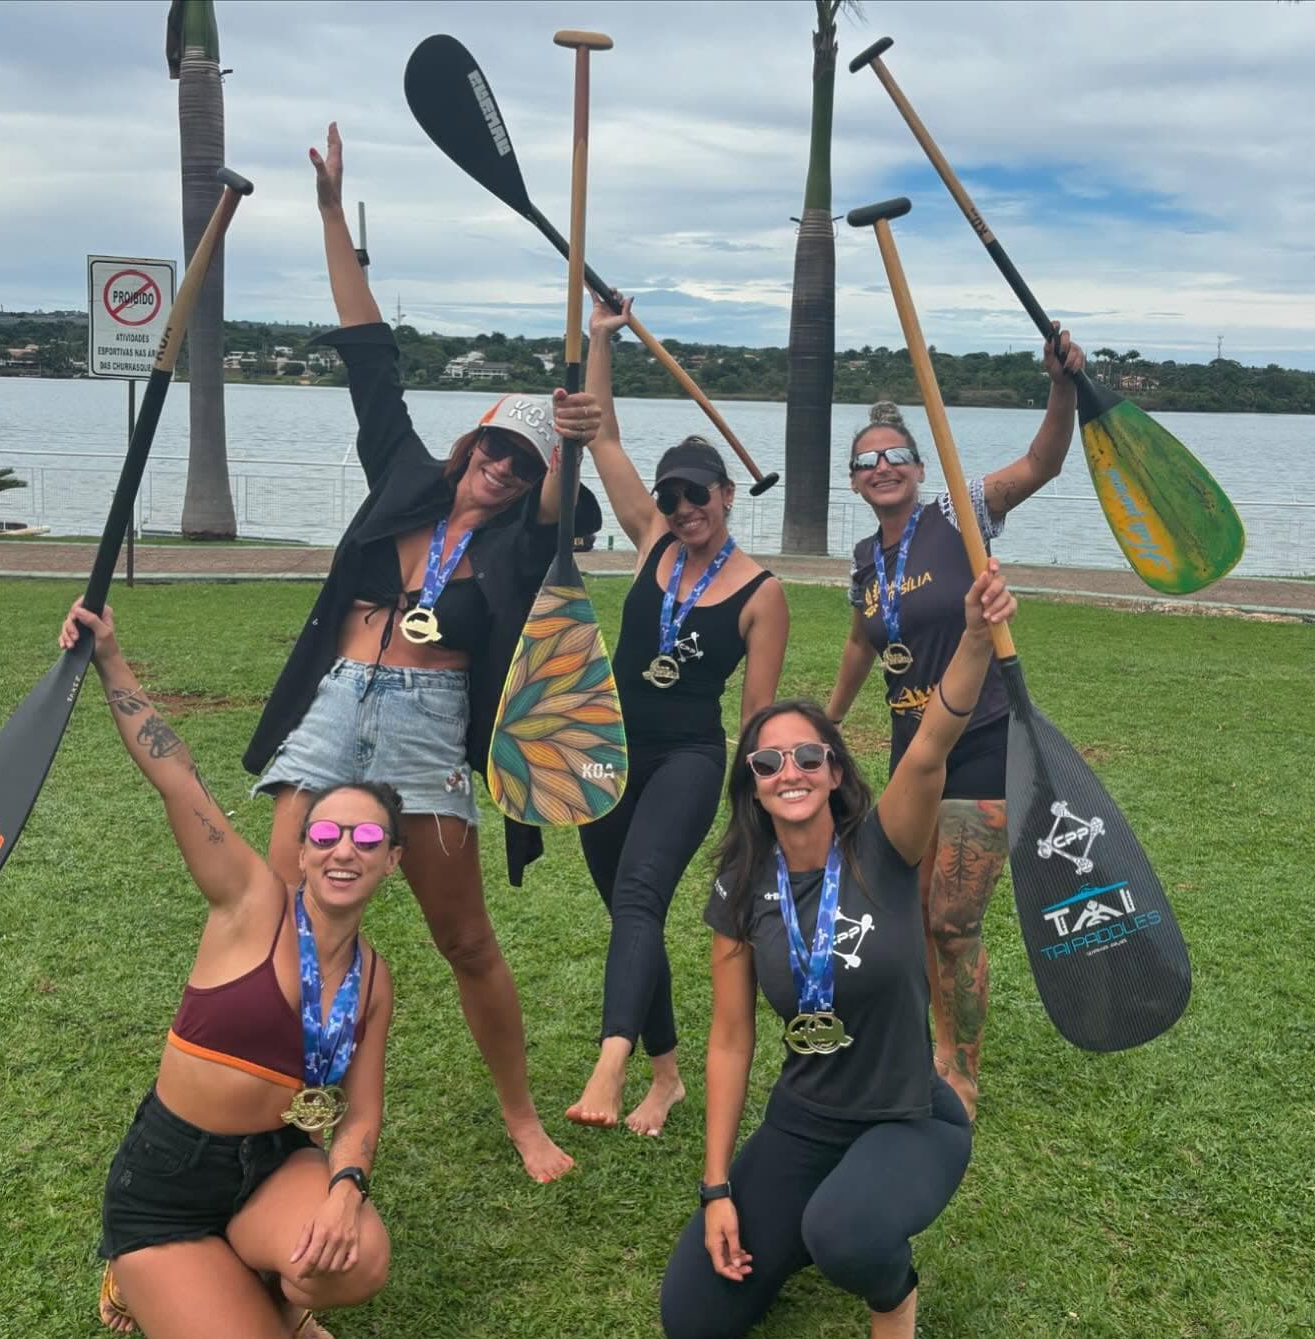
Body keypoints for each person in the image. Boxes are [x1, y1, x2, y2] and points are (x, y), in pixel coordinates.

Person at [244, 125, 603, 1183]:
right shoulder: (401, 476)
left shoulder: (521, 543)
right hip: (338, 703)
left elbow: (559, 485)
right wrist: (327, 215)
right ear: (472, 440)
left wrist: (575, 427)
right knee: (278, 924)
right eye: (496, 444)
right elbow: (370, 359)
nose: (501, 465)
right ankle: (275, 1106)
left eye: (523, 460)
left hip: (428, 731)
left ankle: (523, 1117)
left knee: (467, 941)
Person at [660, 563, 1017, 1339]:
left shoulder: (884, 847)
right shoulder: (741, 892)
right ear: (751, 780)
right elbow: (729, 1040)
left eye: (807, 756)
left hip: (907, 1115)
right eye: (768, 759)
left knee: (845, 1234)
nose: (789, 770)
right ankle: (822, 1221)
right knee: (695, 1317)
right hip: (805, 1121)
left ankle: (891, 1296)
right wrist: (717, 1188)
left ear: (831, 769)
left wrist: (971, 637)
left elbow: (931, 746)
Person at [57, 600, 397, 1339]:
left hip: (278, 1163)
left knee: (357, 1260)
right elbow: (178, 775)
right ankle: (137, 1278)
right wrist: (112, 664)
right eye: (326, 830)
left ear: (393, 857)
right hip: (171, 1181)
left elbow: (360, 1114)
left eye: (365, 835)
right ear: (305, 847)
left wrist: (345, 1189)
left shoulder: (376, 977)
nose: (343, 847)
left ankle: (259, 1288)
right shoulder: (250, 902)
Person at [824, 329, 1084, 1122]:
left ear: (918, 465)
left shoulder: (959, 513)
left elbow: (1042, 465)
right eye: (866, 461)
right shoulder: (866, 560)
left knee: (952, 918)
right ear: (855, 481)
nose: (882, 467)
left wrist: (1062, 386)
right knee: (910, 914)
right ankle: (924, 1035)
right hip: (913, 759)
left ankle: (958, 1066)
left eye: (894, 454)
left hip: (980, 744)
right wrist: (826, 723)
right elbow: (864, 643)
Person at [565, 293, 789, 1136]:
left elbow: (760, 712)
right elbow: (606, 438)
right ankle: (668, 1079)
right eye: (673, 494)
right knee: (629, 910)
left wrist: (755, 806)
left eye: (698, 493)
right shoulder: (653, 542)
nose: (685, 506)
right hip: (606, 752)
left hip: (690, 759)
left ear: (727, 494)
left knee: (641, 897)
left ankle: (612, 1061)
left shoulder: (763, 593)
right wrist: (600, 340)